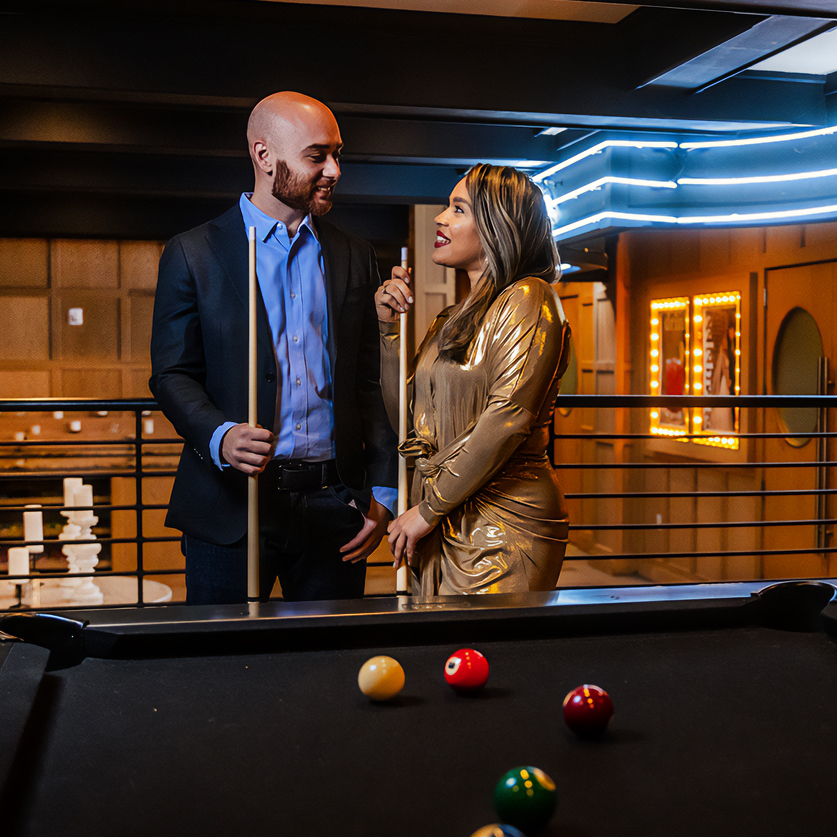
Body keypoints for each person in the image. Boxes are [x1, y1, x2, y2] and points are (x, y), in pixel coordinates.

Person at [150, 92, 397, 605]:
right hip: (230, 506)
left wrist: (383, 491)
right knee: (225, 653)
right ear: (264, 156)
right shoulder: (193, 252)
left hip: (336, 506)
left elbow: (365, 382)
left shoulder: (353, 253)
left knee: (331, 653)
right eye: (316, 156)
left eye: (337, 155)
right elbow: (172, 374)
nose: (334, 170)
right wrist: (219, 435)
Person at [377, 164, 572, 596]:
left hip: (504, 521)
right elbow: (405, 425)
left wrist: (428, 509)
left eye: (458, 209)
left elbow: (508, 418)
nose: (440, 218)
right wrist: (388, 331)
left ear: (496, 228)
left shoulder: (530, 297)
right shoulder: (450, 319)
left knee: (482, 639)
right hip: (443, 510)